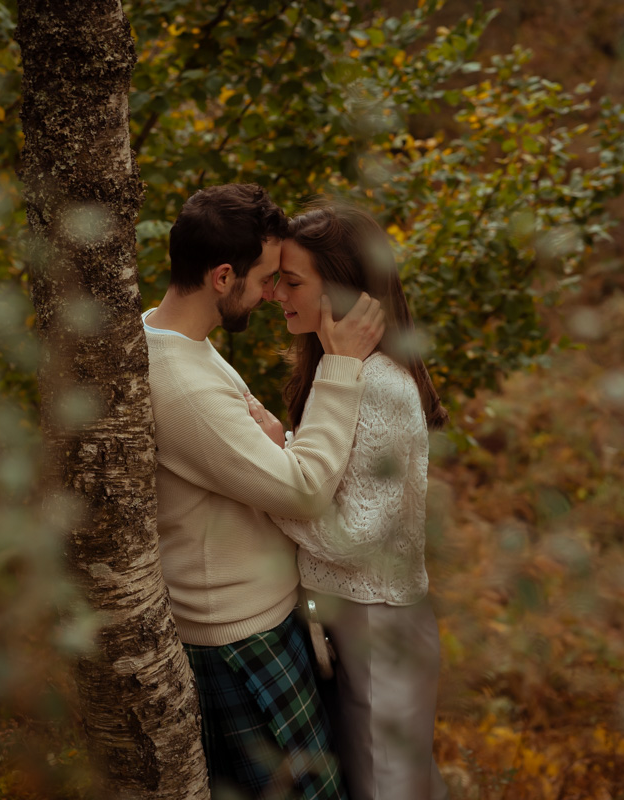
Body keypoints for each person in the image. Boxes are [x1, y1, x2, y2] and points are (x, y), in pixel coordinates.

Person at [142, 183, 385, 799]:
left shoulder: (175, 340)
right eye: (267, 278)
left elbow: (266, 444)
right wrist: (342, 367)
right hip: (239, 643)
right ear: (223, 276)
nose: (274, 292)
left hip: (258, 625)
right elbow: (303, 490)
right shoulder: (182, 385)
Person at [256, 200, 452, 800]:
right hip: (346, 627)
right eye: (275, 280)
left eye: (291, 282)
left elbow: (360, 531)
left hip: (380, 631)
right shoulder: (339, 371)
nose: (273, 295)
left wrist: (266, 482)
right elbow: (338, 474)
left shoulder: (382, 387)